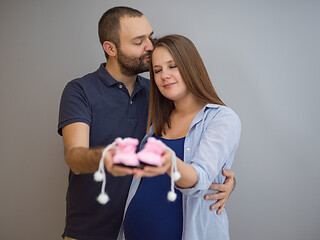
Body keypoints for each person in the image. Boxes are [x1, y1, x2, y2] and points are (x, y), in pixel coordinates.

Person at [58, 6, 236, 240]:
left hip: (134, 230)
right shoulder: (80, 90)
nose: (150, 46)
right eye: (138, 41)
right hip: (89, 230)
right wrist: (108, 158)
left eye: (149, 37)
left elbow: (196, 144)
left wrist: (225, 180)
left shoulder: (160, 94)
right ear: (110, 48)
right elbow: (75, 157)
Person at [120, 35, 241, 240]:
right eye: (157, 70)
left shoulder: (222, 118)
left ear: (190, 67)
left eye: (172, 66)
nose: (164, 75)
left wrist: (168, 160)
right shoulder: (157, 120)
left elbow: (201, 178)